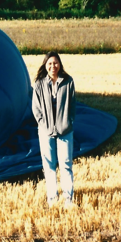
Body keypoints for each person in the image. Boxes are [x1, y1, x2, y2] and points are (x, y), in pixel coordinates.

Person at [32, 52, 76, 209]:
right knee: (49, 165)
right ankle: (52, 198)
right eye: (50, 63)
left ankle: (68, 198)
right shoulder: (39, 84)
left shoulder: (68, 82)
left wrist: (68, 122)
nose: (53, 66)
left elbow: (72, 105)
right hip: (45, 131)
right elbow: (36, 109)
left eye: (55, 63)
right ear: (45, 65)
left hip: (65, 130)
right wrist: (44, 125)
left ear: (60, 64)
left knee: (65, 164)